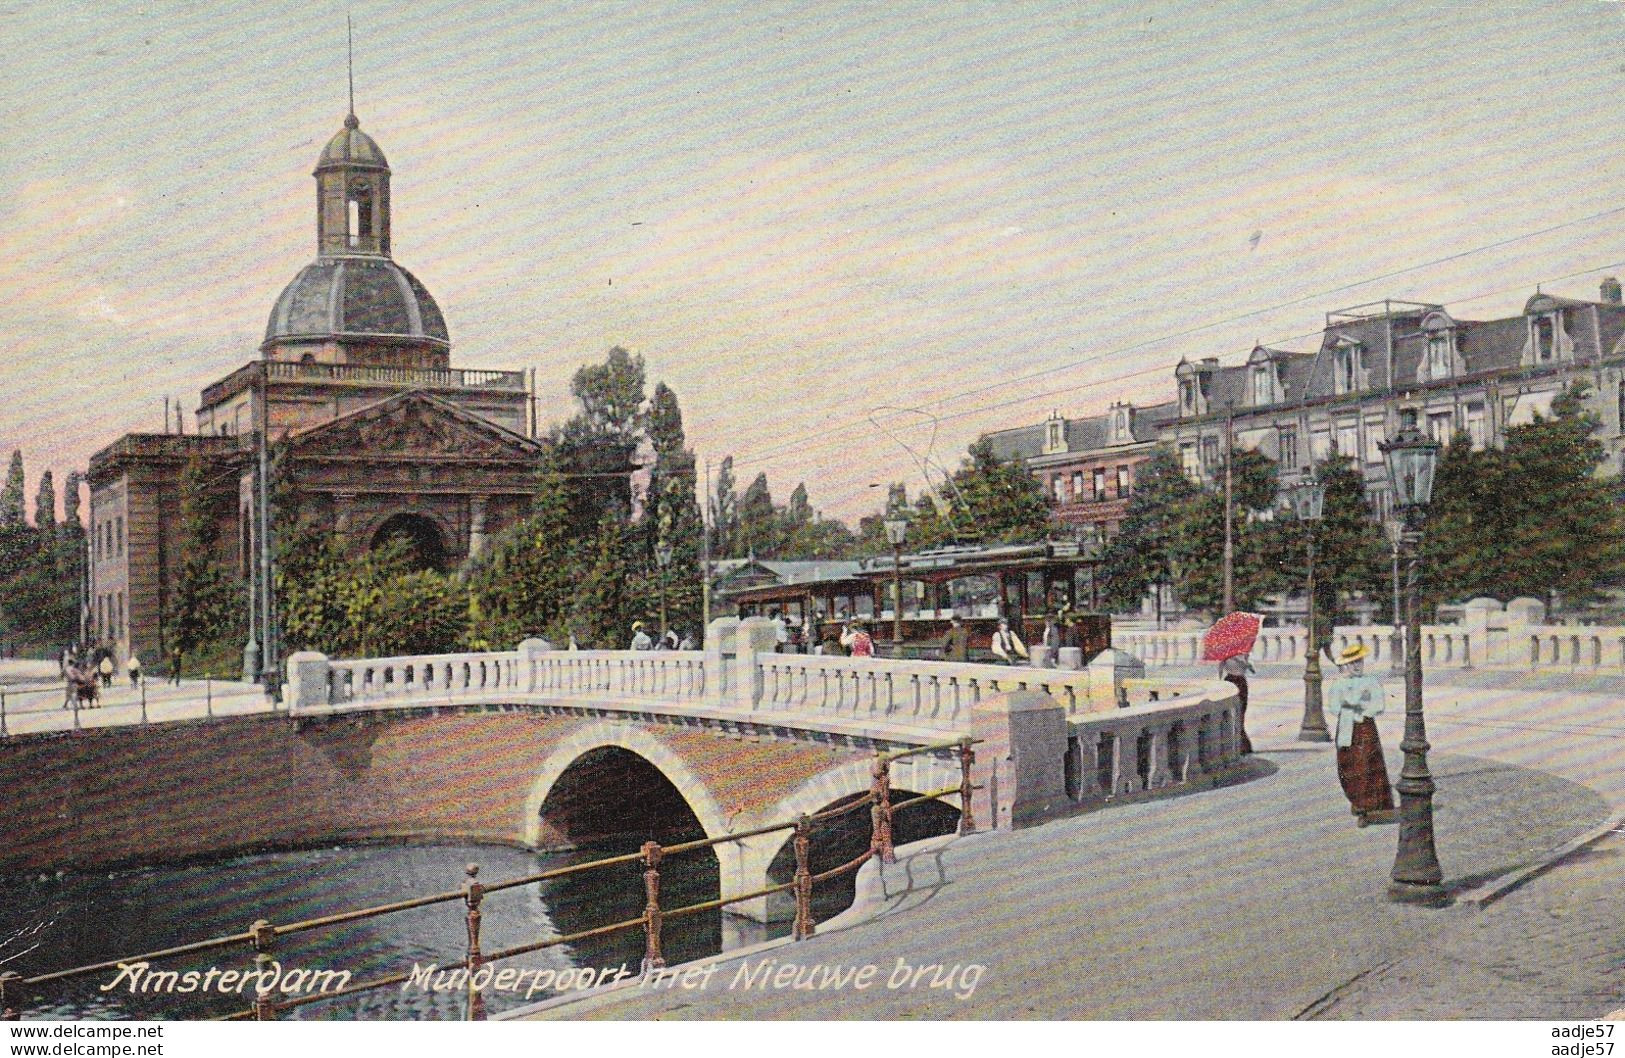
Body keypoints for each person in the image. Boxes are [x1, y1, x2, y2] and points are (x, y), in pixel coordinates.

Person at [1327, 644, 1397, 827]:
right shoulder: (1338, 684)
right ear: (1346, 665)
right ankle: (1355, 800)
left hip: (1365, 727)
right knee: (1347, 764)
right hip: (1346, 726)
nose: (1356, 666)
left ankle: (1369, 807)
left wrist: (1362, 709)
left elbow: (1379, 705)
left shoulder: (1371, 681)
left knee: (1366, 763)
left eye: (1359, 661)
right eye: (1352, 663)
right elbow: (1334, 707)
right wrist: (1347, 707)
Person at [1219, 653, 1254, 754]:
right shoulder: (1226, 654)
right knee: (1232, 716)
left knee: (1240, 714)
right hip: (1231, 681)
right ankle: (1241, 746)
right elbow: (1220, 669)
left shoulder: (1243, 654)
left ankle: (1242, 745)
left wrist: (1245, 663)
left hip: (1239, 682)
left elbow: (1248, 669)